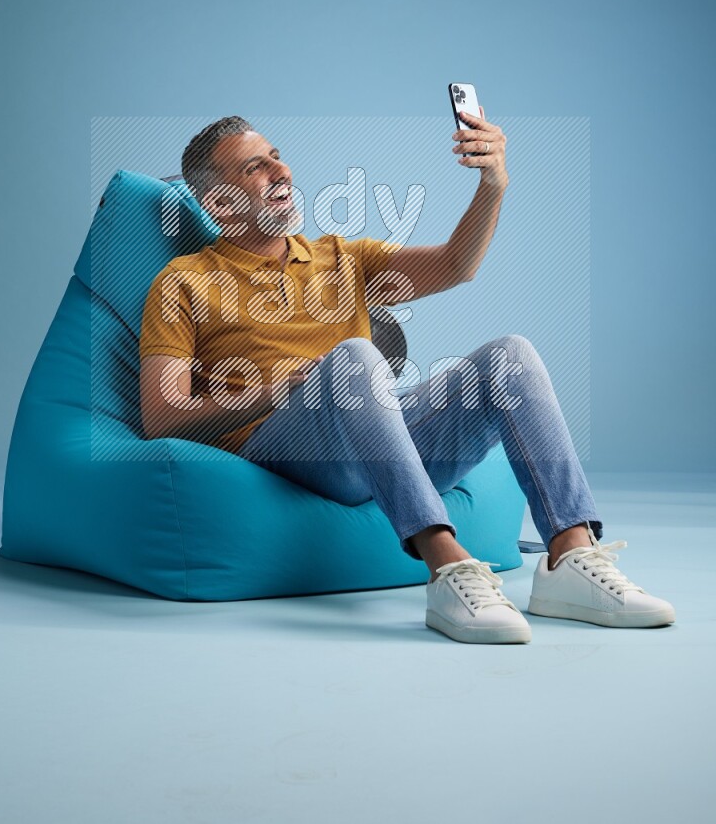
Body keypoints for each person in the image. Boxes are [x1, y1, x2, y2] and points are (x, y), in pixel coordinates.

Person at [138, 113, 675, 644]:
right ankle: (448, 569)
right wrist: (275, 390)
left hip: (374, 444)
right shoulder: (184, 280)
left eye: (277, 156)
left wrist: (492, 184)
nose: (281, 172)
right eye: (256, 167)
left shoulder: (342, 256)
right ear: (217, 203)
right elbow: (161, 416)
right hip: (284, 454)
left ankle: (570, 558)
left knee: (511, 355)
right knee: (356, 356)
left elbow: (456, 265)